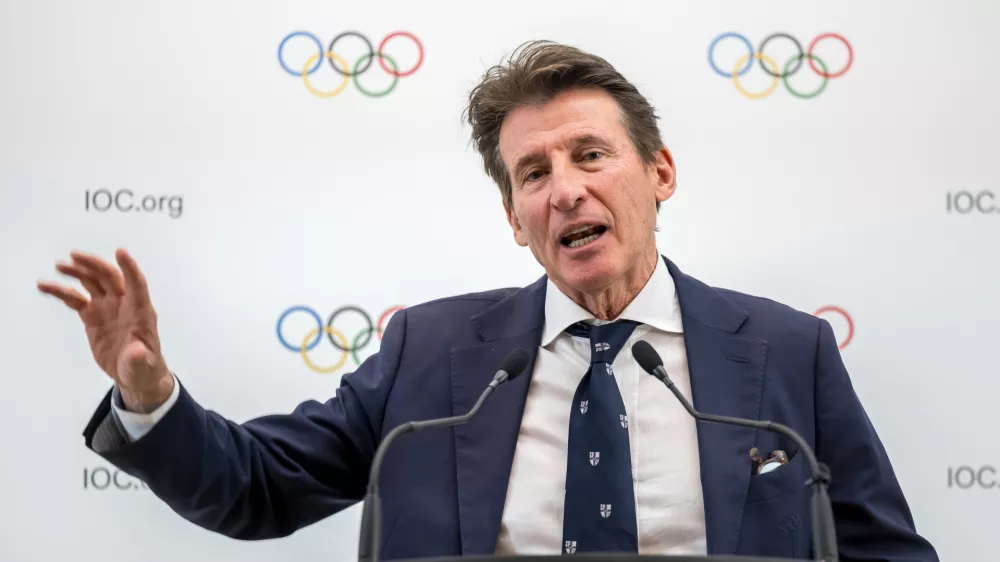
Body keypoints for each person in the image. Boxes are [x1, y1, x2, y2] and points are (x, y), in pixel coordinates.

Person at [37, 40, 938, 560]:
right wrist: (151, 401)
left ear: (658, 173)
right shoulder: (430, 356)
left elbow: (887, 555)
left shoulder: (785, 350)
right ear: (515, 217)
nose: (566, 190)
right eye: (534, 173)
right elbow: (257, 489)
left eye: (591, 156)